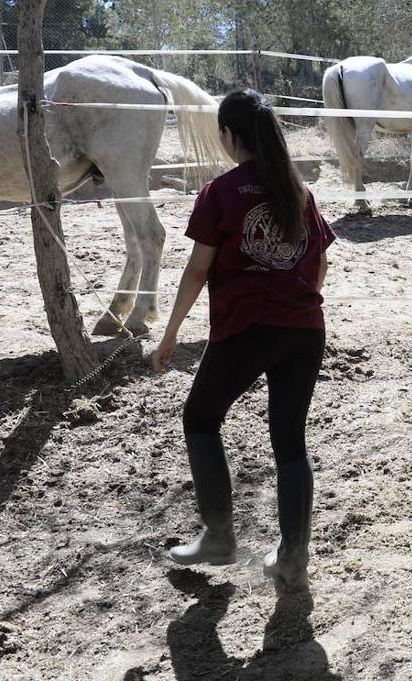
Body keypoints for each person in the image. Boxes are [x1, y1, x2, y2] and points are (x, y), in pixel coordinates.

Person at [152, 88, 335, 593]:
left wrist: (170, 334)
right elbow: (319, 264)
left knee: (201, 418)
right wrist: (294, 305)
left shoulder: (221, 192)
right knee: (290, 442)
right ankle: (293, 557)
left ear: (231, 136)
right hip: (304, 330)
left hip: (245, 328)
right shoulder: (299, 193)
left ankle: (218, 536)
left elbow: (197, 270)